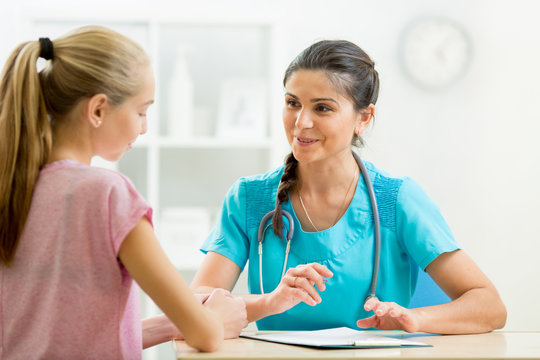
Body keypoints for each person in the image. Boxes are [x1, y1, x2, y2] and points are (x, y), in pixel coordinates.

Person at [191, 39, 507, 334]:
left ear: (364, 118)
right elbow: (196, 305)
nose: (301, 122)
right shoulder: (249, 199)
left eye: (322, 108)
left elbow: (489, 306)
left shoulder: (396, 200)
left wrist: (415, 319)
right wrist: (268, 302)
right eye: (292, 103)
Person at [0, 26, 247, 359]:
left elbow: (67, 332)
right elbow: (204, 335)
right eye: (141, 112)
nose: (144, 127)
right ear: (98, 109)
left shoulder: (12, 188)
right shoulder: (107, 195)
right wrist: (216, 320)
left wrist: (170, 325)